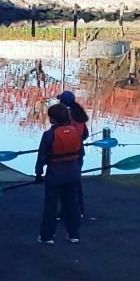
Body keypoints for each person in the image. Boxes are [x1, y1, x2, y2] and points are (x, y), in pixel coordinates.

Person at [35, 104, 82, 245]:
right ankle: (74, 234)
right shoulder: (76, 132)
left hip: (55, 176)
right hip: (73, 175)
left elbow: (41, 157)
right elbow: (80, 154)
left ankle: (46, 236)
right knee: (72, 205)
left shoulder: (48, 135)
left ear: (53, 119)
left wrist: (38, 173)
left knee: (51, 206)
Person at [57, 91, 89, 216]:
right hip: (79, 153)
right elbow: (85, 134)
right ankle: (79, 209)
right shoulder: (79, 115)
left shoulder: (66, 117)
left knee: (65, 183)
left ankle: (67, 211)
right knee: (75, 182)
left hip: (67, 155)